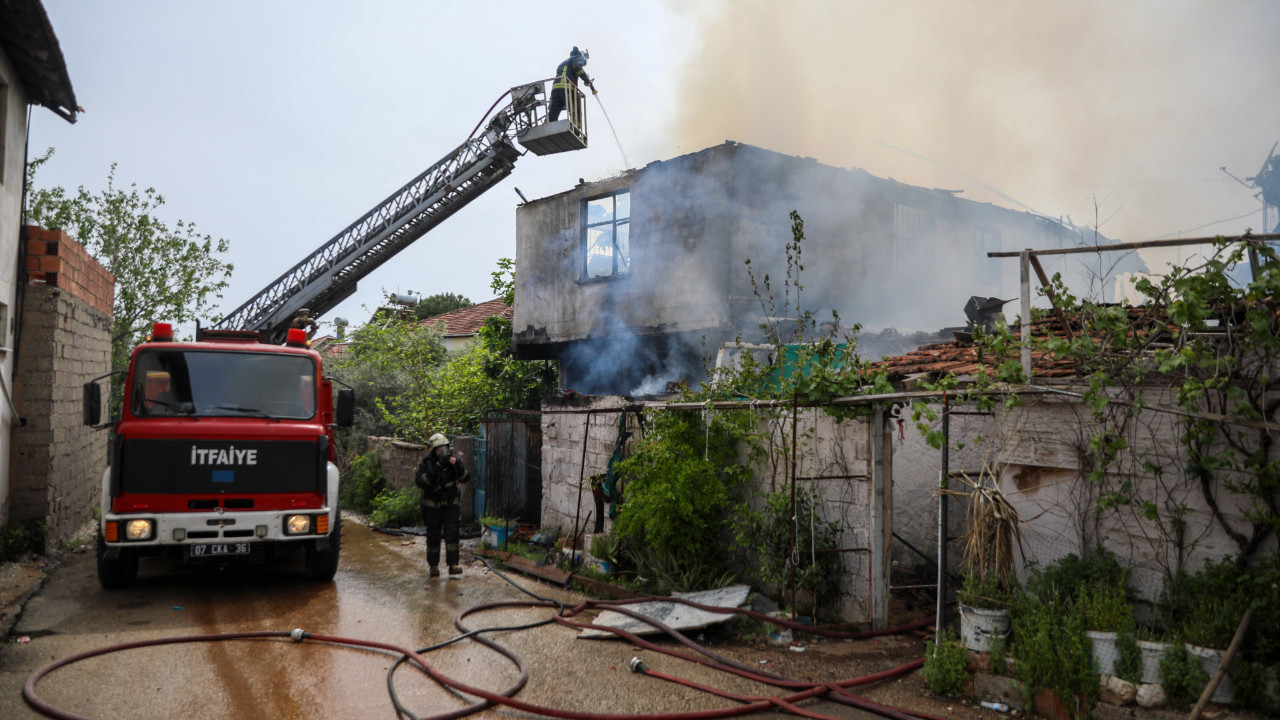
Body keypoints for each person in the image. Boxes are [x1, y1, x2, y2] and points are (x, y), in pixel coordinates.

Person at [414, 433, 469, 577]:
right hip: (432, 507)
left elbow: (465, 478)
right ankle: (433, 566)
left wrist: (456, 464)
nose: (443, 452)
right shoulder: (427, 463)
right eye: (439, 449)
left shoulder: (454, 462)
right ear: (434, 451)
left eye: (444, 448)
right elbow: (420, 482)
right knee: (433, 537)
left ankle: (453, 565)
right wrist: (435, 469)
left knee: (452, 535)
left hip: (451, 506)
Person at [548, 46, 595, 123]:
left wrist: (585, 79)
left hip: (555, 90)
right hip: (567, 89)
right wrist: (587, 80)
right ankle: (576, 130)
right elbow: (577, 68)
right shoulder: (577, 59)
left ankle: (548, 128)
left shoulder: (563, 63)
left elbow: (571, 71)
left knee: (553, 113)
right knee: (576, 110)